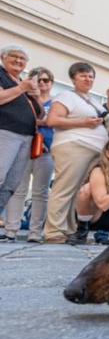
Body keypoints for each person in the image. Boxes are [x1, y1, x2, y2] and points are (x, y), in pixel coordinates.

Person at [44, 62, 109, 244]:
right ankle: (54, 230)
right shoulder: (66, 95)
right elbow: (52, 120)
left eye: (90, 76)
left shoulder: (93, 101)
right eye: (83, 75)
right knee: (64, 187)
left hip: (95, 150)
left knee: (78, 192)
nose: (88, 79)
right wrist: (83, 123)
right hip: (74, 145)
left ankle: (70, 229)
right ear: (73, 79)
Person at [4, 67, 55, 242]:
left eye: (46, 80)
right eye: (38, 80)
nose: (41, 83)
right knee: (18, 188)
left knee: (40, 192)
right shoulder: (24, 97)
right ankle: (11, 229)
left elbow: (54, 122)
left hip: (46, 149)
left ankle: (35, 231)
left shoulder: (55, 102)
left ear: (51, 83)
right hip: (24, 145)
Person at [0, 45, 42, 224]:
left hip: (26, 136)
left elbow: (40, 115)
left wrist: (37, 96)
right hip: (6, 131)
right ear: (3, 58)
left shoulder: (22, 82)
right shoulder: (4, 76)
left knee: (12, 183)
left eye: (22, 58)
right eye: (14, 56)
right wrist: (22, 88)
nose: (18, 61)